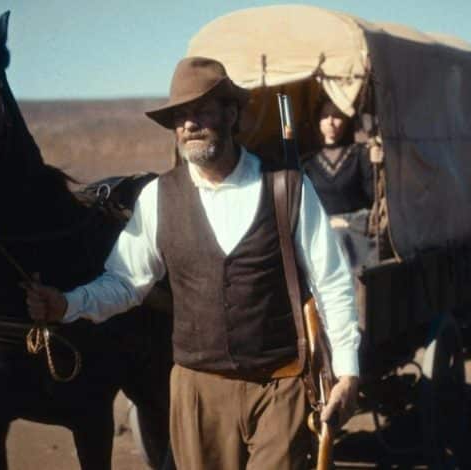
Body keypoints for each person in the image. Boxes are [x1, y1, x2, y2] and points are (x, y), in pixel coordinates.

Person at [24, 57, 361, 470]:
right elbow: (127, 282)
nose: (189, 124)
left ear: (231, 113)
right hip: (196, 394)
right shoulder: (158, 199)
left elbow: (331, 281)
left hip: (280, 387)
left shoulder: (287, 187)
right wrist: (67, 304)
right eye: (179, 116)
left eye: (201, 111)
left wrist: (347, 370)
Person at [301, 97, 375, 268]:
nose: (330, 123)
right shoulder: (308, 163)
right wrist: (328, 223)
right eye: (325, 116)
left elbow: (373, 200)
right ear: (318, 122)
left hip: (356, 230)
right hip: (321, 231)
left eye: (336, 116)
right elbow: (305, 206)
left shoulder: (360, 155)